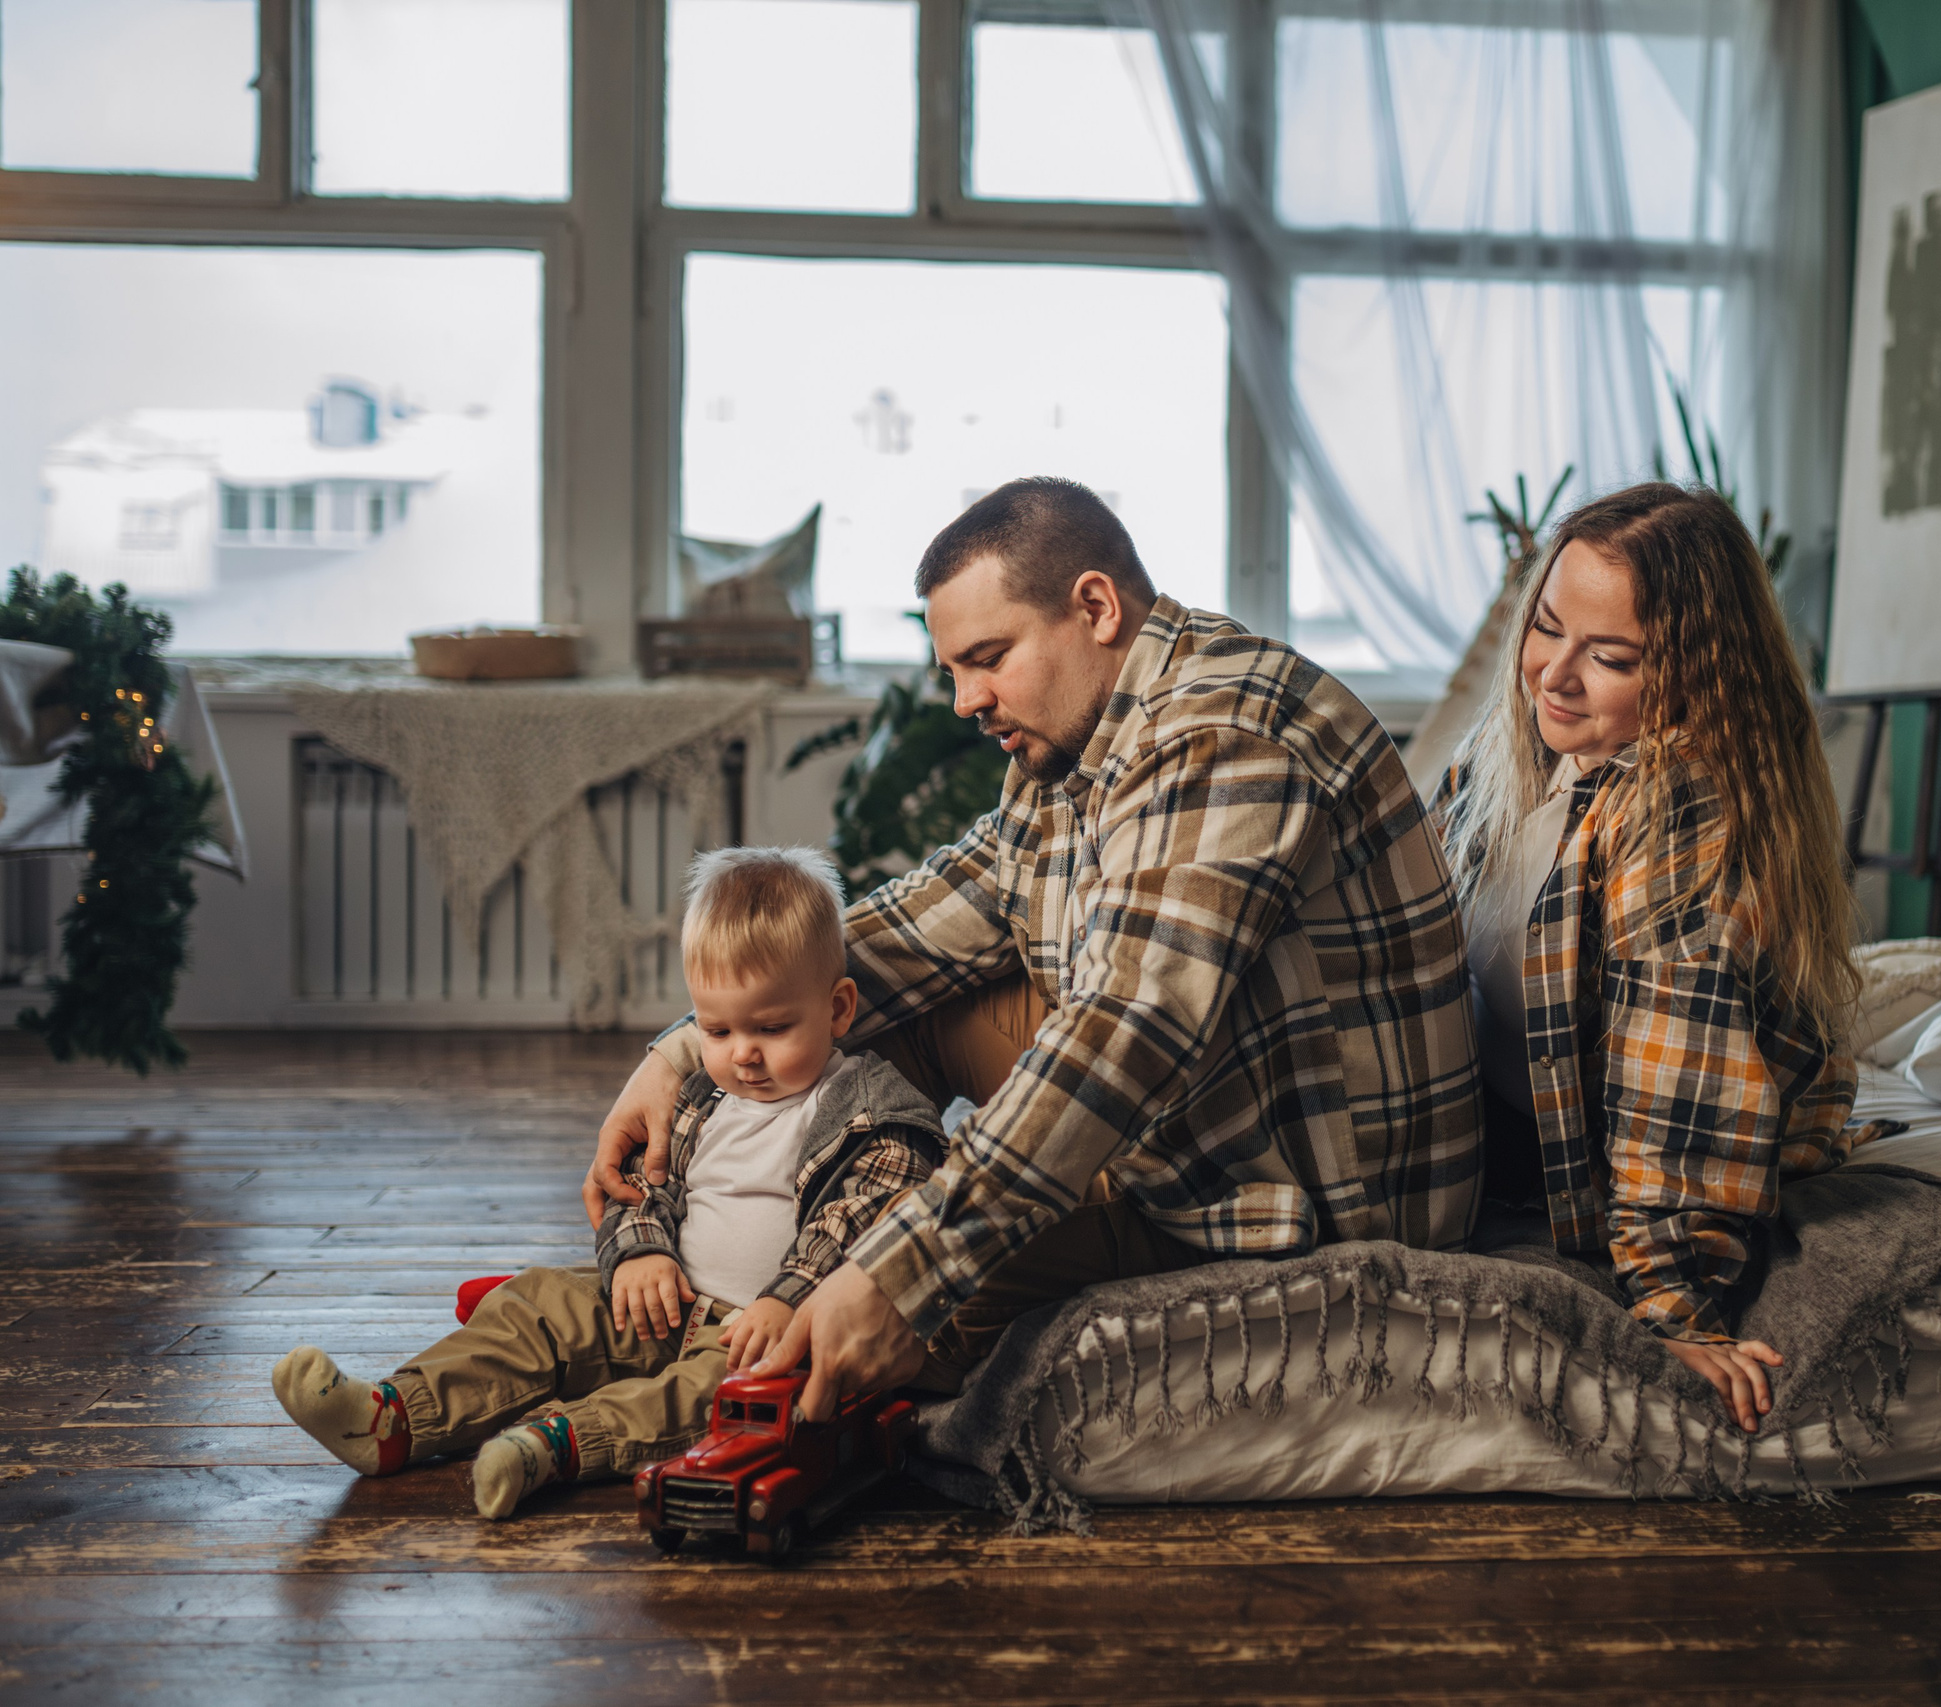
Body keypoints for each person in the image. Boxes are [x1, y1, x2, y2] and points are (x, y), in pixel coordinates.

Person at [584, 477, 1481, 1415]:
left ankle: (777, 1319)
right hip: (1216, 1099)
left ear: (1093, 607)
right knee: (849, 1028)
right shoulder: (1077, 734)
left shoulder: (1223, 736)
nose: (968, 700)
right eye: (954, 672)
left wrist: (903, 1275)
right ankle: (736, 1266)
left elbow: (1121, 1035)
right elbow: (927, 921)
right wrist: (681, 1051)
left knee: (935, 1315)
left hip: (1312, 1197)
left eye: (988, 657)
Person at [270, 847, 945, 1517]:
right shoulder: (697, 1098)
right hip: (669, 1300)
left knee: (710, 1392)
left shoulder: (867, 1107)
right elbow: (638, 1183)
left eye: (772, 1026)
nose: (743, 1051)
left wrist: (791, 1297)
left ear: (838, 1008)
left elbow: (864, 1213)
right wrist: (641, 1248)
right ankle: (394, 1416)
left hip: (758, 1334)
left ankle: (554, 1443)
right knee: (539, 1301)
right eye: (716, 1027)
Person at [1435, 482, 1879, 1438]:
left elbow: (1680, 1066)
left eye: (1611, 657)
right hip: (1524, 1154)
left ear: (1693, 677)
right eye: (1547, 627)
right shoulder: (1504, 764)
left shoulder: (1680, 804)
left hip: (1675, 1163)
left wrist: (1674, 1306)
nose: (1554, 674)